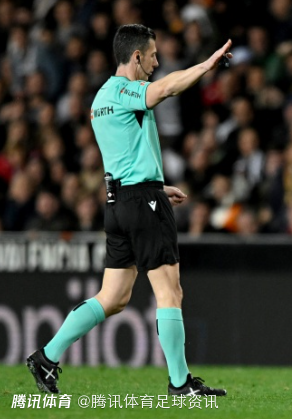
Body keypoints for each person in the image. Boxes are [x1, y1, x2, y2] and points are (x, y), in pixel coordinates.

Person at [26, 24, 233, 396]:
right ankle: (180, 383)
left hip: (118, 201)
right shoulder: (127, 91)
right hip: (142, 202)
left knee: (113, 297)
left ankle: (46, 356)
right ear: (136, 56)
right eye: (152, 55)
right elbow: (166, 88)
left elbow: (124, 153)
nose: (156, 62)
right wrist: (206, 65)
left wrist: (156, 185)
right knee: (169, 291)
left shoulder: (100, 99)